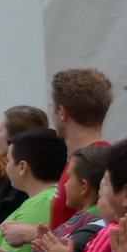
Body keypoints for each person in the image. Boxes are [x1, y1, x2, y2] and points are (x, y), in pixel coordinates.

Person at [0, 127, 65, 252]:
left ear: (22, 166)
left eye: (8, 160)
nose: (7, 165)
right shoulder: (42, 199)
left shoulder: (40, 203)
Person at [47, 67, 114, 227]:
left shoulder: (96, 164)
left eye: (51, 106)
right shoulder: (86, 159)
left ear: (62, 112)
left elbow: (95, 230)